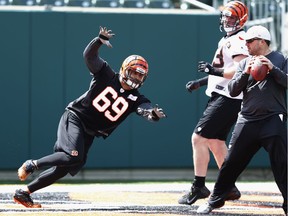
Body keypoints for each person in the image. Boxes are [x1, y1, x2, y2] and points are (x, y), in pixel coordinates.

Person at [13, 26, 166, 208]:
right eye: (133, 72)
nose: (136, 78)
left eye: (140, 75)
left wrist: (153, 115)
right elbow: (89, 56)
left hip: (91, 131)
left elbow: (145, 110)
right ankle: (32, 164)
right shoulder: (106, 74)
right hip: (76, 117)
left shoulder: (137, 98)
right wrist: (98, 41)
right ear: (125, 69)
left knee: (67, 166)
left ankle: (24, 193)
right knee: (72, 155)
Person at [197, 25, 287, 214]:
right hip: (247, 119)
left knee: (282, 163)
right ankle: (214, 200)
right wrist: (246, 72)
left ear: (261, 41)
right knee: (230, 163)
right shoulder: (244, 63)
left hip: (272, 118)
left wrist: (273, 69)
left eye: (249, 41)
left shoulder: (280, 58)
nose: (245, 44)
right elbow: (232, 90)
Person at [178, 1, 249, 205]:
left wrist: (212, 71)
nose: (227, 21)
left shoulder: (238, 39)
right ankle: (229, 187)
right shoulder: (228, 39)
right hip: (224, 96)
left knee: (198, 139)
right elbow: (222, 71)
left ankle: (198, 186)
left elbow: (239, 69)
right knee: (215, 142)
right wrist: (201, 82)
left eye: (232, 18)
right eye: (225, 17)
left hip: (228, 98)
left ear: (241, 20)